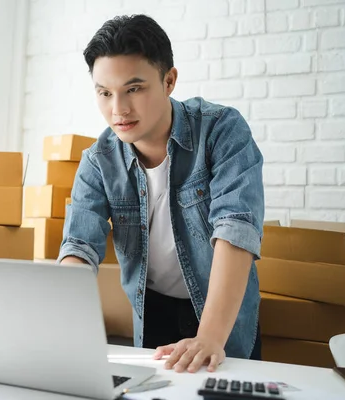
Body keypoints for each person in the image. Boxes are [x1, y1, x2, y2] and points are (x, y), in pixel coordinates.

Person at [57, 14, 264, 374]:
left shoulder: (221, 131)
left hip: (222, 316)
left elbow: (236, 228)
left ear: (169, 80)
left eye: (134, 89)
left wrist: (210, 335)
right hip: (153, 314)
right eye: (105, 93)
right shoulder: (98, 160)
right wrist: (55, 322)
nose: (118, 109)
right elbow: (79, 247)